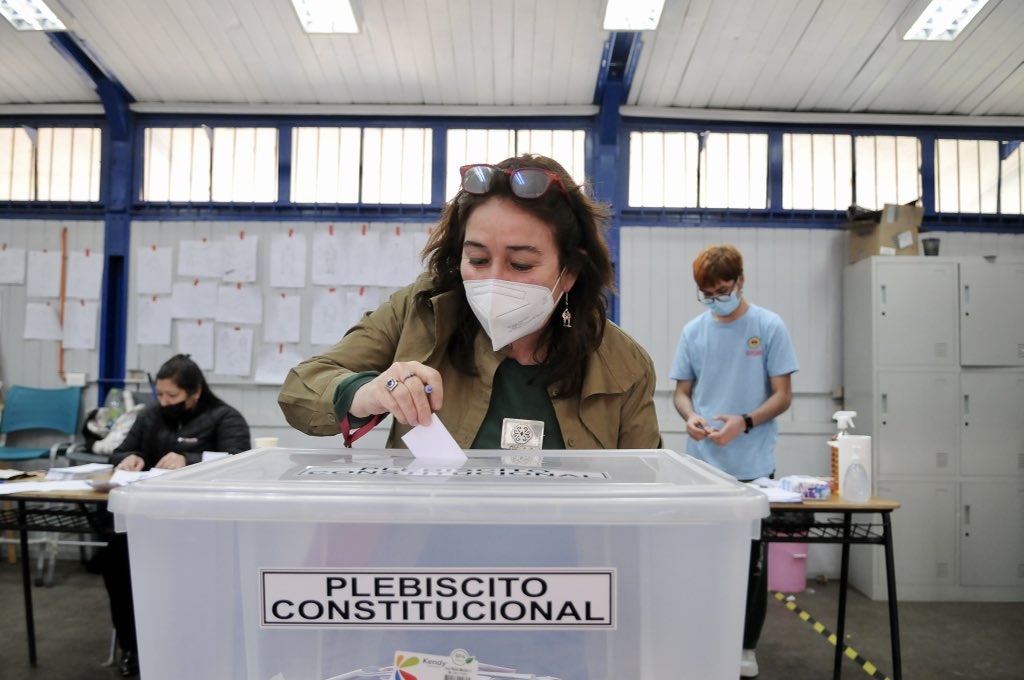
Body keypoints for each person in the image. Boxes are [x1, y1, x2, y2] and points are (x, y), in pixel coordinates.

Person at [278, 154, 661, 451]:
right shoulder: (419, 313)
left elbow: (646, 491)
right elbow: (301, 389)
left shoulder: (623, 365)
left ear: (571, 271)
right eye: (477, 259)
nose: (494, 279)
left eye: (521, 264)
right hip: (432, 530)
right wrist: (366, 393)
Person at [669, 244, 799, 679]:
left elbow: (782, 395)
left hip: (752, 469)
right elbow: (682, 392)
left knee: (751, 565)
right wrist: (691, 417)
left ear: (740, 281)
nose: (714, 300)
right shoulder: (694, 332)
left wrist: (745, 421)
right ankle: (700, 641)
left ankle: (744, 646)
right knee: (699, 561)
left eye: (722, 291)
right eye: (706, 294)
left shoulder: (768, 326)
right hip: (701, 468)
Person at [103, 354, 250, 677]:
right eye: (160, 394)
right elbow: (120, 450)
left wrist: (190, 459)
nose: (164, 401)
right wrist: (130, 457)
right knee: (116, 559)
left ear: (195, 392)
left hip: (202, 526)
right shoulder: (149, 416)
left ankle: (201, 645)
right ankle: (133, 647)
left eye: (172, 395)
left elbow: (239, 460)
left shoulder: (225, 417)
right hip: (148, 522)